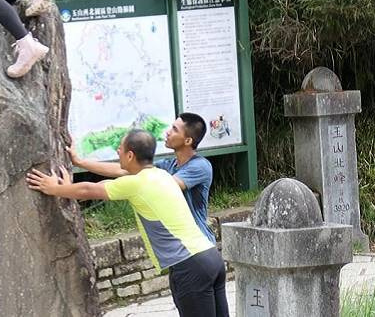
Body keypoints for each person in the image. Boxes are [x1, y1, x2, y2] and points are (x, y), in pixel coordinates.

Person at [27, 130, 229, 317]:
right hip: (211, 258)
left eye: (120, 148)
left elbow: (90, 190)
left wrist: (54, 189)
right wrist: (72, 179)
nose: (117, 151)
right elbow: (106, 184)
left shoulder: (138, 183)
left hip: (190, 266)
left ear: (130, 155)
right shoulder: (159, 175)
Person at [66, 112, 216, 243]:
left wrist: (98, 189)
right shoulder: (168, 165)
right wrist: (79, 162)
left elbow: (164, 187)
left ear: (188, 141)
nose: (168, 132)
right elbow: (123, 170)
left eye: (175, 129)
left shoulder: (200, 166)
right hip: (181, 247)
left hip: (199, 243)